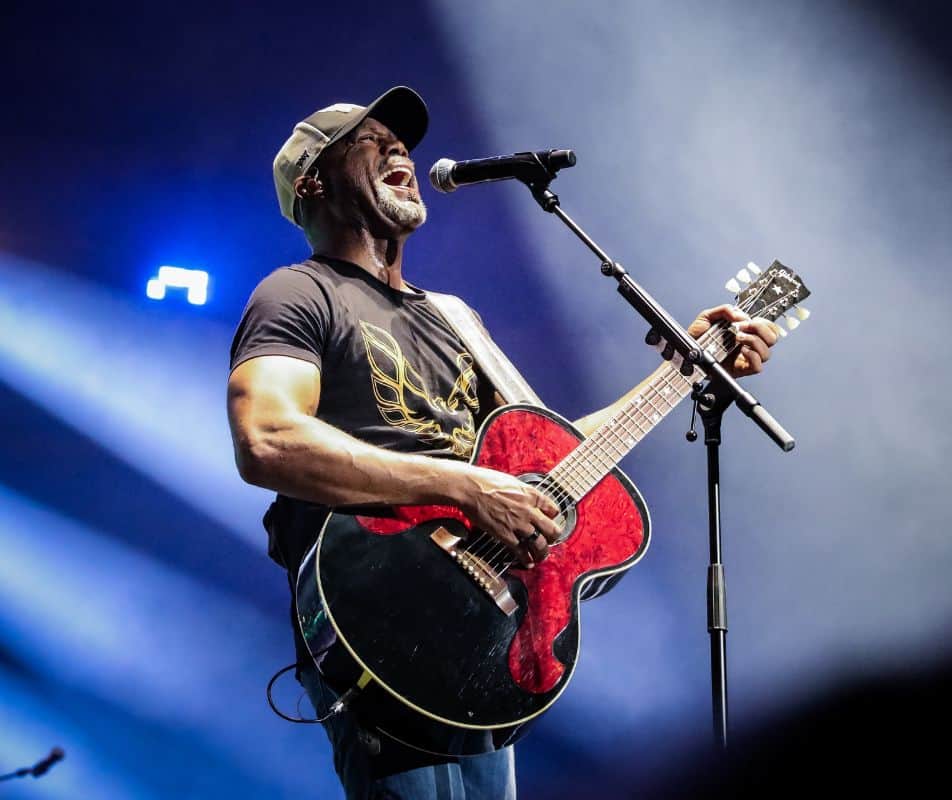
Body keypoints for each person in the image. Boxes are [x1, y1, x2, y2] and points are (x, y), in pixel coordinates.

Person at [226, 85, 780, 800]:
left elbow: (552, 460)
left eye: (403, 142)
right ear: (314, 181)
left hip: (480, 629)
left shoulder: (456, 317)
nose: (400, 149)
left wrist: (683, 371)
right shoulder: (298, 294)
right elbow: (267, 439)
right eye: (371, 140)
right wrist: (464, 486)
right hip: (382, 606)